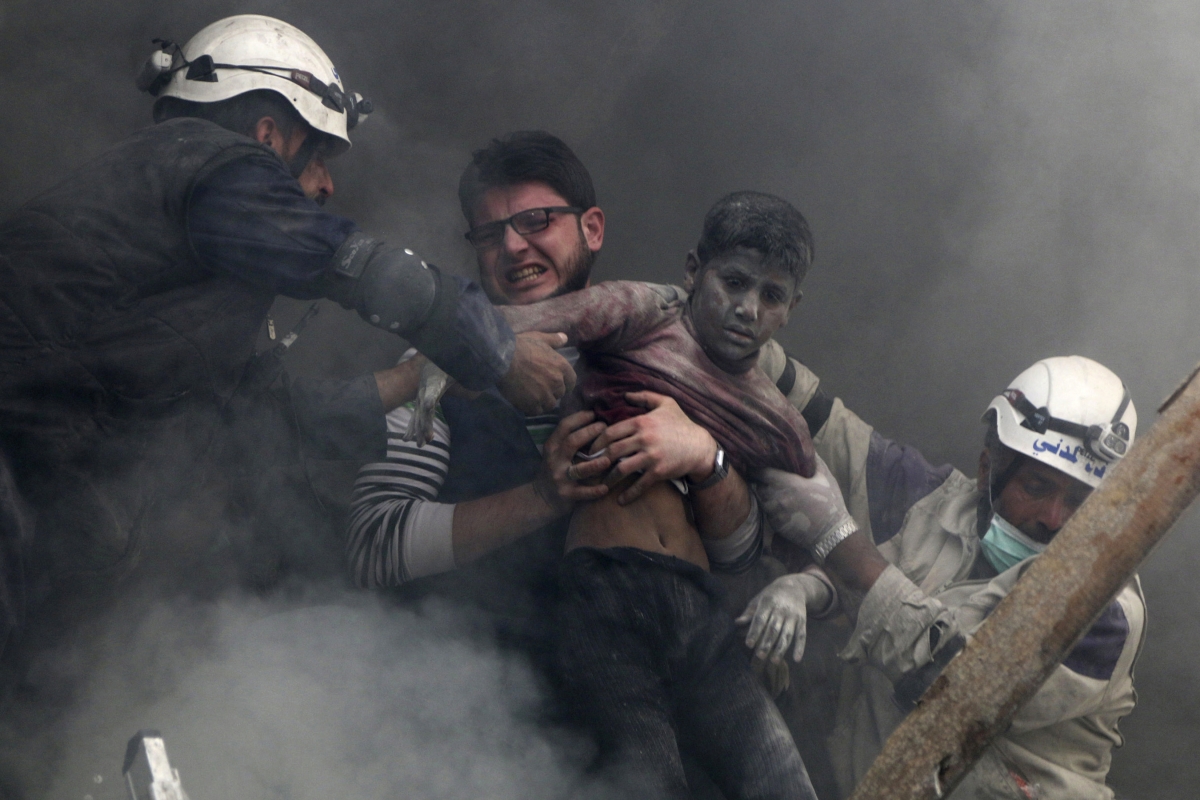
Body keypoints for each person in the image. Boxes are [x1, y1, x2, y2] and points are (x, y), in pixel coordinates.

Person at [0, 16, 572, 650]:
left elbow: (261, 420)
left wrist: (415, 376)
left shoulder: (185, 249)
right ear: (268, 134)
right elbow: (356, 265)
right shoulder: (211, 158)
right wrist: (497, 353)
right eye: (319, 155)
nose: (328, 184)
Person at [746, 355, 1145, 799]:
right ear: (988, 469)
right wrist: (732, 343)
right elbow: (824, 421)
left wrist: (837, 538)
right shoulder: (936, 506)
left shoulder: (1107, 610)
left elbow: (960, 693)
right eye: (1037, 487)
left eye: (1081, 502)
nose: (1055, 519)